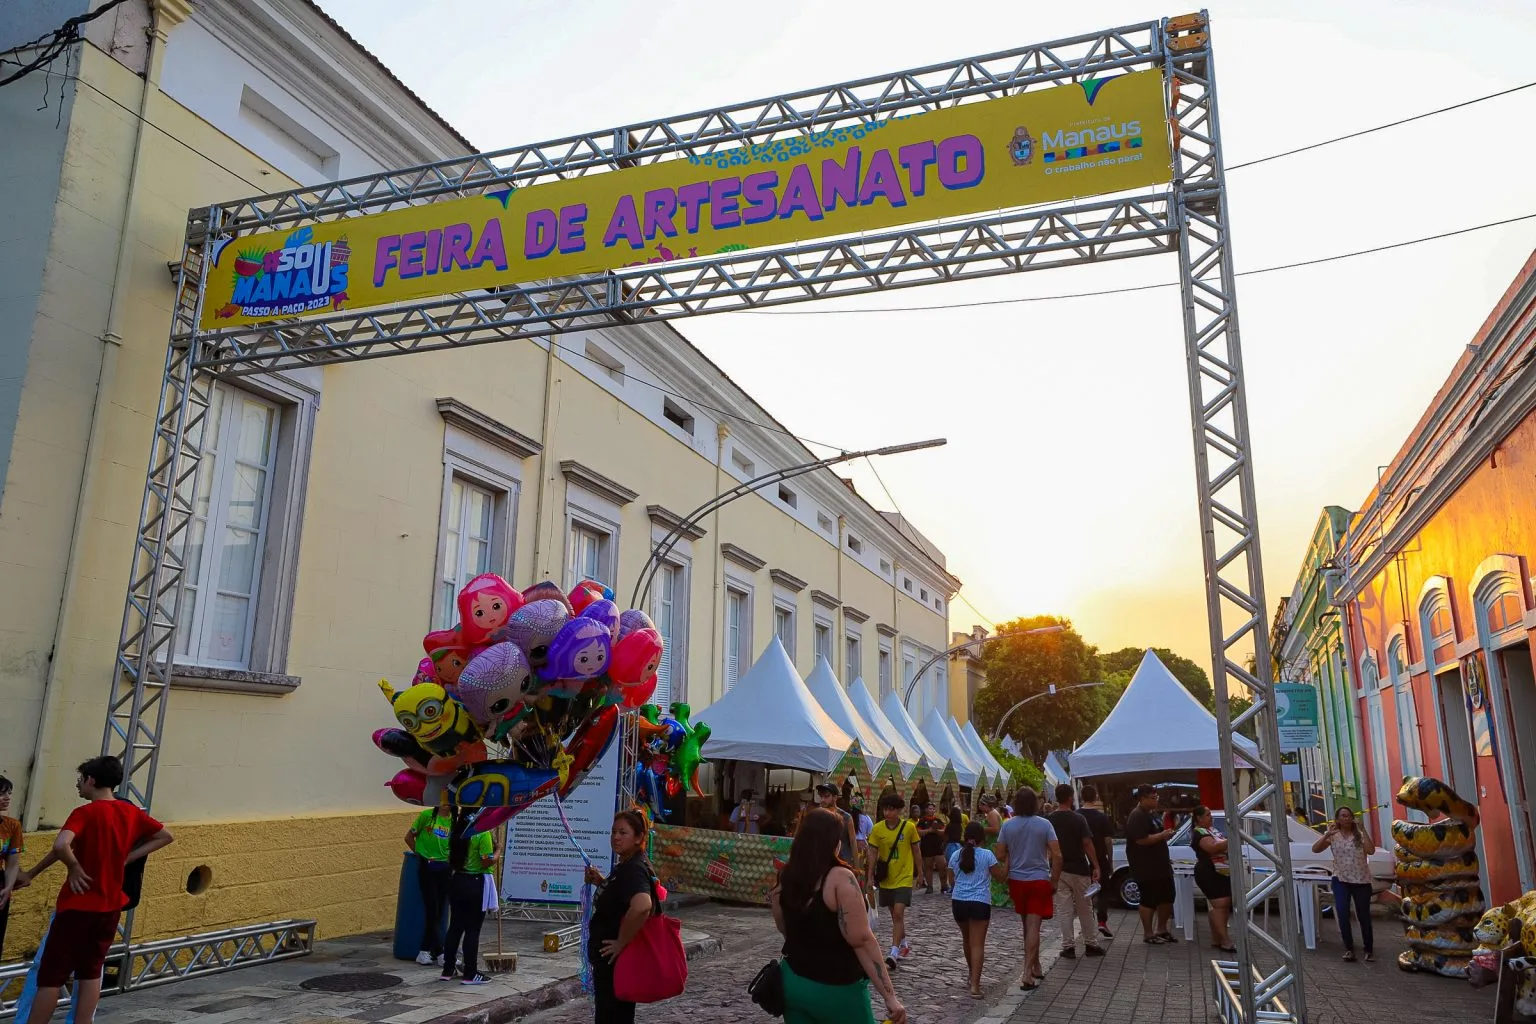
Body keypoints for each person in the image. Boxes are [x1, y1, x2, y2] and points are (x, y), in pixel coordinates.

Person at [22, 757, 173, 1024]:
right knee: (91, 973)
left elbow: (61, 845)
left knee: (50, 977)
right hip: (110, 906)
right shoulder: (131, 813)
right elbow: (165, 836)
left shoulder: (84, 813)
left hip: (77, 905)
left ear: (91, 780)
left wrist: (74, 866)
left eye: (80, 780)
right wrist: (128, 857)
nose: (78, 786)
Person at [770, 808, 906, 1024]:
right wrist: (890, 997)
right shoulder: (840, 878)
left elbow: (784, 928)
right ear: (834, 842)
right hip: (836, 988)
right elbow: (861, 941)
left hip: (793, 982)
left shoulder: (785, 877)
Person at [584, 810, 657, 1024]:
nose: (616, 837)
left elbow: (642, 905)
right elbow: (622, 898)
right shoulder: (626, 864)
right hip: (611, 961)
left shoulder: (633, 869)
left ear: (638, 838)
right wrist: (601, 882)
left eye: (623, 832)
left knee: (612, 1016)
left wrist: (621, 942)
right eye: (613, 832)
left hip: (614, 961)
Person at [994, 787, 1060, 991]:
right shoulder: (1044, 824)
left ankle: (1035, 964)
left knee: (1027, 925)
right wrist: (1054, 880)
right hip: (1039, 879)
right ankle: (1027, 972)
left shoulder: (1008, 825)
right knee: (1034, 926)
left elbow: (999, 854)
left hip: (1017, 880)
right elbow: (1057, 855)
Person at [438, 812, 496, 985]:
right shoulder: (482, 832)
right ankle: (470, 973)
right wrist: (498, 850)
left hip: (457, 880)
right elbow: (486, 861)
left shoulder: (456, 831)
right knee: (472, 930)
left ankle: (448, 968)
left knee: (455, 926)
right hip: (474, 882)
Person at [1312, 806, 1375, 963]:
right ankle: (1349, 949)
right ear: (1338, 819)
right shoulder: (1334, 835)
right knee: (1342, 912)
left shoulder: (1359, 834)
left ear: (1352, 818)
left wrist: (1363, 829)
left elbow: (1371, 850)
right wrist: (1327, 834)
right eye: (1343, 816)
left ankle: (1368, 949)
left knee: (1363, 916)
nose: (1346, 818)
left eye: (1348, 815)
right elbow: (1315, 849)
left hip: (1361, 880)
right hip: (1340, 879)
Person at [865, 794, 923, 967]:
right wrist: (869, 877)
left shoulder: (909, 828)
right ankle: (904, 944)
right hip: (886, 878)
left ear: (899, 810)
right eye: (885, 809)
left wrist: (920, 874)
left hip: (904, 877)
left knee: (898, 912)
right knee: (894, 915)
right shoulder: (877, 829)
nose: (887, 812)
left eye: (891, 809)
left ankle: (894, 952)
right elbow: (872, 853)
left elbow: (916, 851)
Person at [1047, 784, 1102, 960]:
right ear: (1070, 798)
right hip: (1079, 868)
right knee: (1085, 907)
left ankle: (1068, 946)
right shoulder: (1079, 819)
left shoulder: (1049, 820)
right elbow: (1087, 843)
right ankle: (1091, 944)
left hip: (1059, 869)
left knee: (1064, 909)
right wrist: (1096, 865)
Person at [949, 821, 1000, 999]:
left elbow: (951, 881)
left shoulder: (956, 855)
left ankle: (972, 974)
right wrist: (1007, 863)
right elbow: (1000, 878)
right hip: (979, 902)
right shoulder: (987, 855)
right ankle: (975, 986)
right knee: (977, 944)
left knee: (966, 940)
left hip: (959, 901)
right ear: (982, 838)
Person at [405, 792, 454, 966]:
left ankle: (427, 950)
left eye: (449, 801)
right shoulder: (426, 816)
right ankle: (438, 951)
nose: (444, 804)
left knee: (440, 911)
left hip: (445, 868)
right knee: (431, 908)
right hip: (427, 867)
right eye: (442, 800)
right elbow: (409, 837)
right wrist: (421, 854)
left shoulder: (454, 821)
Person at [1125, 785, 1177, 944]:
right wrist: (1161, 835)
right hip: (1145, 866)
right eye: (1152, 798)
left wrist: (1164, 835)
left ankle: (1162, 928)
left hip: (1160, 864)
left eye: (1157, 797)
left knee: (1167, 896)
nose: (1156, 800)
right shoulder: (1137, 815)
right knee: (1149, 899)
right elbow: (1141, 840)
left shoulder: (1152, 814)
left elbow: (1155, 835)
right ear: (1142, 798)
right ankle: (1148, 933)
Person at [1190, 806, 1234, 952]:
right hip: (1209, 872)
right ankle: (1225, 940)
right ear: (1199, 818)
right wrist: (1232, 840)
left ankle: (1217, 938)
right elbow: (1213, 848)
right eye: (1208, 815)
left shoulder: (1212, 830)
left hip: (1221, 871)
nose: (1211, 817)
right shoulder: (1199, 832)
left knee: (1222, 904)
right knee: (1220, 904)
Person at [1077, 785, 1116, 938]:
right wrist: (1110, 860)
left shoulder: (1076, 815)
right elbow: (1108, 841)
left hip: (1081, 859)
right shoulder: (1101, 817)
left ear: (1081, 797)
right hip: (1100, 858)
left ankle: (1087, 924)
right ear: (1096, 798)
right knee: (1104, 890)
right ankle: (1102, 921)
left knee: (1084, 893)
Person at [0, 776, 22, 957]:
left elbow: (13, 863)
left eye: (9, 793)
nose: (7, 797)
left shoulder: (12, 826)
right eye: (1, 794)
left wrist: (8, 888)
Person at [815, 784, 859, 870]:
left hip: (842, 863)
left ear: (835, 797)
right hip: (822, 863)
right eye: (821, 796)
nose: (823, 800)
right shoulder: (817, 816)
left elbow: (853, 843)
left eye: (826, 796)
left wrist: (857, 869)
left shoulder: (846, 817)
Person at [916, 803, 947, 895]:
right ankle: (930, 886)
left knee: (942, 866)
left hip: (938, 847)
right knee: (928, 867)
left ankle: (944, 886)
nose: (931, 810)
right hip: (927, 847)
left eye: (933, 809)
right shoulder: (922, 821)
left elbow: (944, 832)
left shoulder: (938, 820)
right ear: (926, 810)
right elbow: (918, 832)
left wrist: (936, 830)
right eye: (930, 809)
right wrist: (929, 830)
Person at [852, 796, 874, 867]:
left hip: (851, 843)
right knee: (860, 866)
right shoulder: (866, 818)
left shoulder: (848, 817)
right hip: (862, 844)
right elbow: (870, 832)